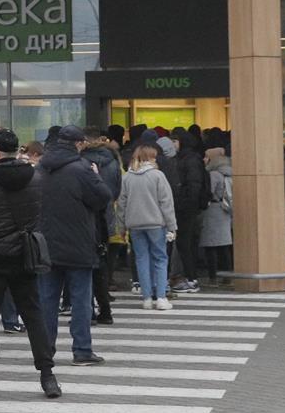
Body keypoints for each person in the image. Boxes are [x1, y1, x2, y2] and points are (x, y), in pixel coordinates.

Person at [0, 129, 60, 400]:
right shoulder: (36, 179)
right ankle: (48, 376)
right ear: (18, 151)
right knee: (33, 315)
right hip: (24, 255)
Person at [33, 127, 112, 367]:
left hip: (46, 244)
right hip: (78, 243)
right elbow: (103, 197)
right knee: (81, 299)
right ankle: (82, 350)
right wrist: (96, 176)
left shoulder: (40, 169)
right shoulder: (82, 169)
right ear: (78, 144)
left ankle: (45, 351)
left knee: (47, 300)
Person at [120, 143, 178, 310]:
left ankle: (146, 298)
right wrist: (172, 226)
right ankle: (160, 297)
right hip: (155, 223)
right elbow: (166, 203)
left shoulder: (127, 177)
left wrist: (122, 227)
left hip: (134, 224)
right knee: (160, 258)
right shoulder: (158, 175)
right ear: (150, 158)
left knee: (141, 259)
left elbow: (122, 204)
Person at [79, 127, 123, 321]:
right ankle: (105, 309)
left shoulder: (81, 161)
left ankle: (87, 310)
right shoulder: (113, 160)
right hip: (106, 214)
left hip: (86, 217)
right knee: (100, 263)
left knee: (84, 268)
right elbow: (116, 190)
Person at [159, 135, 204, 295]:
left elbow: (190, 186)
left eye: (175, 140)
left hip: (180, 208)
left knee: (178, 244)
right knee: (184, 244)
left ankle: (184, 278)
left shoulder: (182, 162)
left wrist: (183, 203)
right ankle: (188, 277)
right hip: (185, 208)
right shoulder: (189, 160)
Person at [202, 146, 235, 284]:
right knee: (224, 245)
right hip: (225, 210)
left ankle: (213, 276)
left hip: (213, 210)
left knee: (211, 245)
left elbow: (208, 192)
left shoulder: (214, 174)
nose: (204, 159)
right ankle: (227, 275)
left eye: (206, 157)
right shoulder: (230, 172)